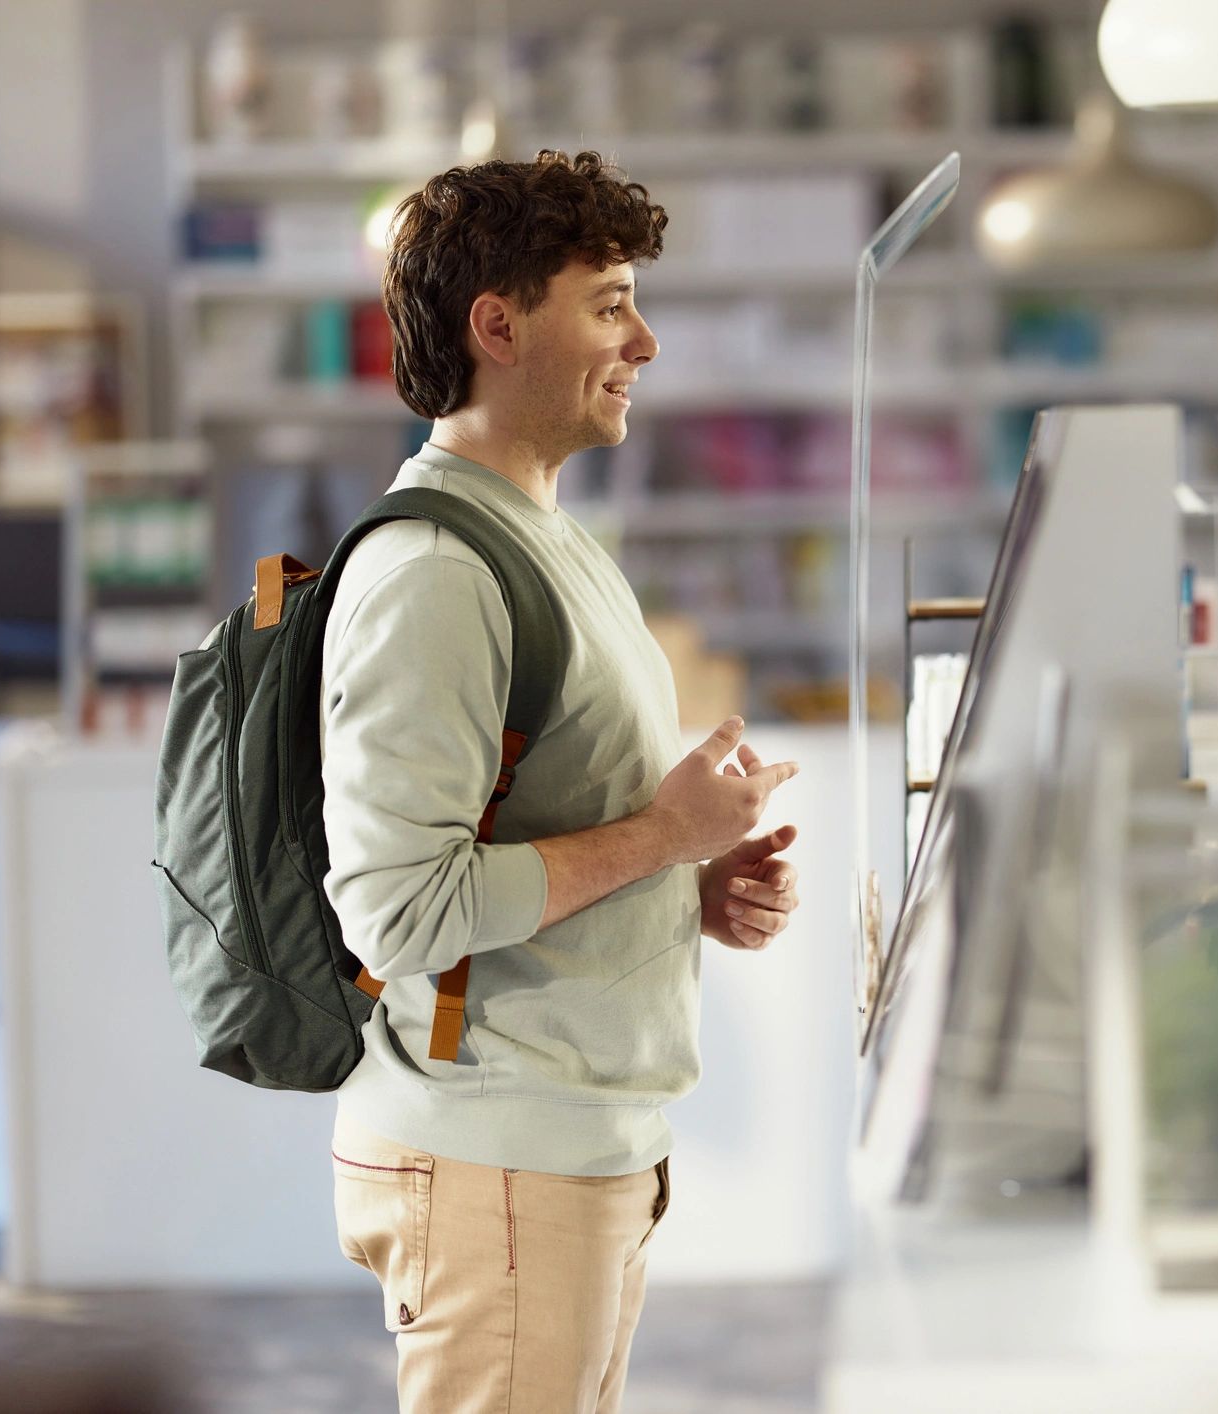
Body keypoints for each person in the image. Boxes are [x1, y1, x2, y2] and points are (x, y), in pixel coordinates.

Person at [319, 150, 802, 1413]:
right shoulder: (435, 569)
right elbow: (400, 911)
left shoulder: (542, 533)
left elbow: (527, 833)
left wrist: (680, 889)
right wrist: (659, 837)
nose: (643, 339)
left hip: (573, 1156)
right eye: (608, 302)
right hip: (497, 1165)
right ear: (497, 325)